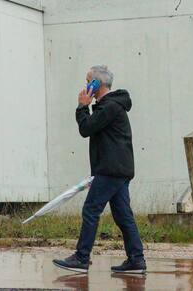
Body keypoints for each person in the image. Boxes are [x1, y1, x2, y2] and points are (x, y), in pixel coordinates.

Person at [52, 65, 147, 275]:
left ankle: (81, 258)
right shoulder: (112, 105)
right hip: (118, 169)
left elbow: (86, 129)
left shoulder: (110, 106)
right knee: (123, 216)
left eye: (88, 81)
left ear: (97, 84)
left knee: (91, 210)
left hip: (110, 170)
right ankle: (136, 260)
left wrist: (82, 106)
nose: (86, 85)